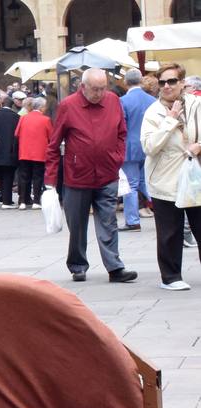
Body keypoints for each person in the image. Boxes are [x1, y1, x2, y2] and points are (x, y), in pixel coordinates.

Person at [45, 68, 136, 283]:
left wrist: (117, 157)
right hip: (77, 176)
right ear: (82, 87)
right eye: (95, 89)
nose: (99, 93)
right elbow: (54, 143)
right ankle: (78, 265)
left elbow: (122, 132)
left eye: (103, 88)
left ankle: (115, 267)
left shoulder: (113, 101)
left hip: (107, 173)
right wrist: (50, 180)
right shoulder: (68, 105)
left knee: (109, 221)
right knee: (76, 224)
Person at [140, 63, 201, 291]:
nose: (167, 86)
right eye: (162, 82)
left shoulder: (197, 105)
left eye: (172, 81)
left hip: (195, 177)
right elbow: (149, 146)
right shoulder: (153, 112)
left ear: (182, 83)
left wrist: (199, 146)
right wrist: (170, 119)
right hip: (165, 178)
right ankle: (171, 276)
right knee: (169, 231)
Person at [120, 68, 157, 233]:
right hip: (149, 145)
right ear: (141, 81)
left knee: (131, 185)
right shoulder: (152, 100)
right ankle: (166, 209)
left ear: (126, 82)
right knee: (146, 182)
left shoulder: (123, 101)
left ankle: (132, 221)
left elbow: (121, 127)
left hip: (130, 147)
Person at [14, 97, 52, 209]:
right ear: (41, 107)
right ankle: (36, 201)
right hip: (39, 153)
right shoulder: (46, 120)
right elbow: (51, 136)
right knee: (37, 177)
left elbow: (16, 134)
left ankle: (22, 201)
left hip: (24, 152)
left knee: (24, 176)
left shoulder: (23, 118)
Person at [0, 91, 20, 208]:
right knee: (8, 176)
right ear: (12, 105)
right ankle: (6, 201)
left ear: (1, 104)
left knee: (0, 176)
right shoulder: (16, 117)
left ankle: (3, 197)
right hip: (10, 152)